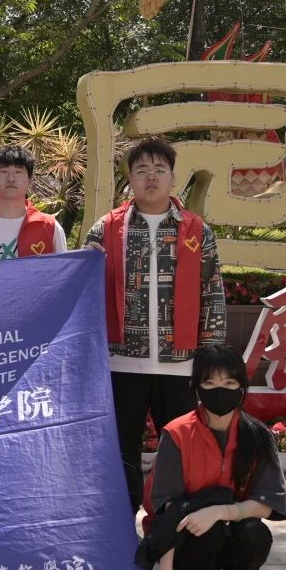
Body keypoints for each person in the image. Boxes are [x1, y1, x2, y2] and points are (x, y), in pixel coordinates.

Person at [85, 136, 227, 515]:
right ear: (129, 178)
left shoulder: (197, 231)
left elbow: (212, 295)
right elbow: (84, 292)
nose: (151, 177)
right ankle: (121, 525)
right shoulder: (106, 229)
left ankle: (172, 523)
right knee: (121, 449)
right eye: (142, 170)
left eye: (159, 170)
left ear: (173, 178)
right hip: (120, 361)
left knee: (180, 448)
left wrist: (211, 359)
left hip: (180, 363)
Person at [140, 344, 286, 570]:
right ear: (197, 388)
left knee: (255, 532)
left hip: (234, 532)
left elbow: (268, 501)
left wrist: (221, 512)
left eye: (229, 383)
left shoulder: (259, 435)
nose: (220, 390)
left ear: (242, 387)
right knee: (205, 532)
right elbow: (167, 509)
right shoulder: (176, 433)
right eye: (209, 383)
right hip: (183, 537)